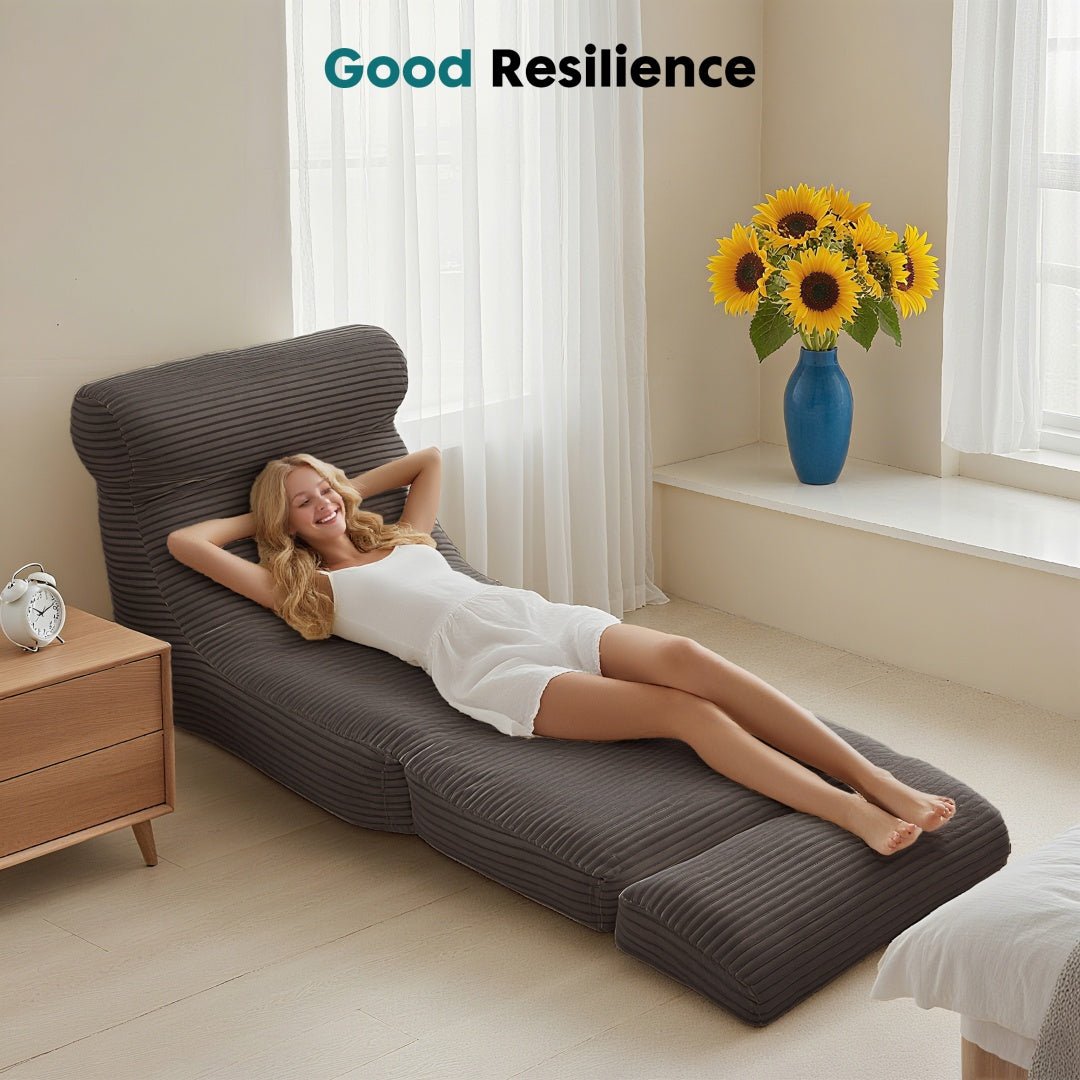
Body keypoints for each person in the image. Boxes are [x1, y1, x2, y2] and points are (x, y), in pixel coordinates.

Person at [167, 446, 956, 858]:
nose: (326, 503)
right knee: (681, 713)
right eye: (305, 504)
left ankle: (871, 774)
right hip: (491, 669)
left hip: (537, 616)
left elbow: (428, 461)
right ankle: (847, 811)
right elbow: (186, 539)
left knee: (688, 654)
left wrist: (335, 483)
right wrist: (270, 521)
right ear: (288, 527)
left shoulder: (403, 534)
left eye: (328, 488)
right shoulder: (304, 591)